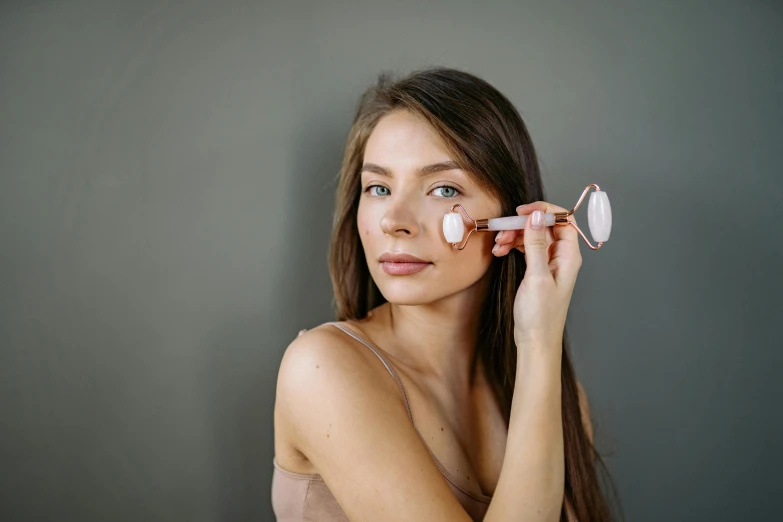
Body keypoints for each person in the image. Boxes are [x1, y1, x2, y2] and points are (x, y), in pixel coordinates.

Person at [272, 67, 620, 521]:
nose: (394, 220)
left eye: (443, 189)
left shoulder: (553, 394)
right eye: (378, 187)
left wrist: (539, 345)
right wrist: (540, 342)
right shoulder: (321, 369)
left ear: (513, 218)